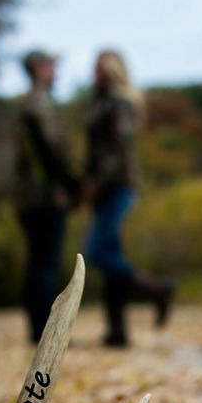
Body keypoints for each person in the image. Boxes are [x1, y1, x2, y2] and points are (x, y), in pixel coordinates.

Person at [84, 50, 174, 346]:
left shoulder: (120, 102)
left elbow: (119, 149)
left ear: (112, 70)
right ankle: (117, 331)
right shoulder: (100, 100)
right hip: (106, 187)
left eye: (99, 68)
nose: (94, 72)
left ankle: (157, 290)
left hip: (117, 185)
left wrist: (96, 183)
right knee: (111, 253)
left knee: (97, 252)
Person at [14, 50, 80, 343]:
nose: (56, 72)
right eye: (52, 66)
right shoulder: (39, 102)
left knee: (38, 262)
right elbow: (53, 148)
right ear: (39, 68)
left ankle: (38, 330)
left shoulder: (28, 102)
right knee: (45, 264)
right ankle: (44, 333)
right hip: (44, 197)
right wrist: (74, 183)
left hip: (30, 197)